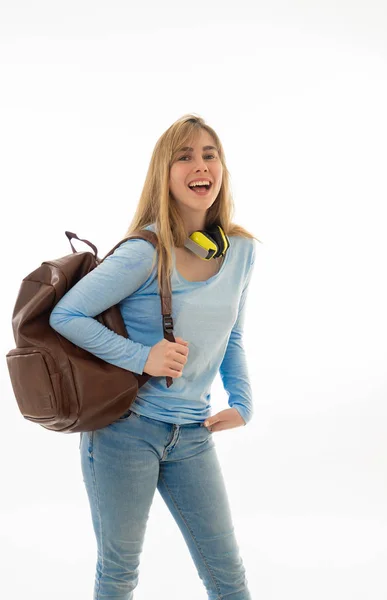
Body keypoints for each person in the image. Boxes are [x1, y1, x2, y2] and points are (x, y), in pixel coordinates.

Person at [49, 113, 259, 600]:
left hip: (193, 434)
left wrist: (242, 402)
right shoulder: (145, 252)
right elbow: (66, 315)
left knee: (228, 577)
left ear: (221, 169)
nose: (199, 164)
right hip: (125, 431)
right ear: (164, 173)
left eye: (209, 154)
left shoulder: (242, 251)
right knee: (119, 575)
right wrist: (142, 357)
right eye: (183, 156)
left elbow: (234, 336)